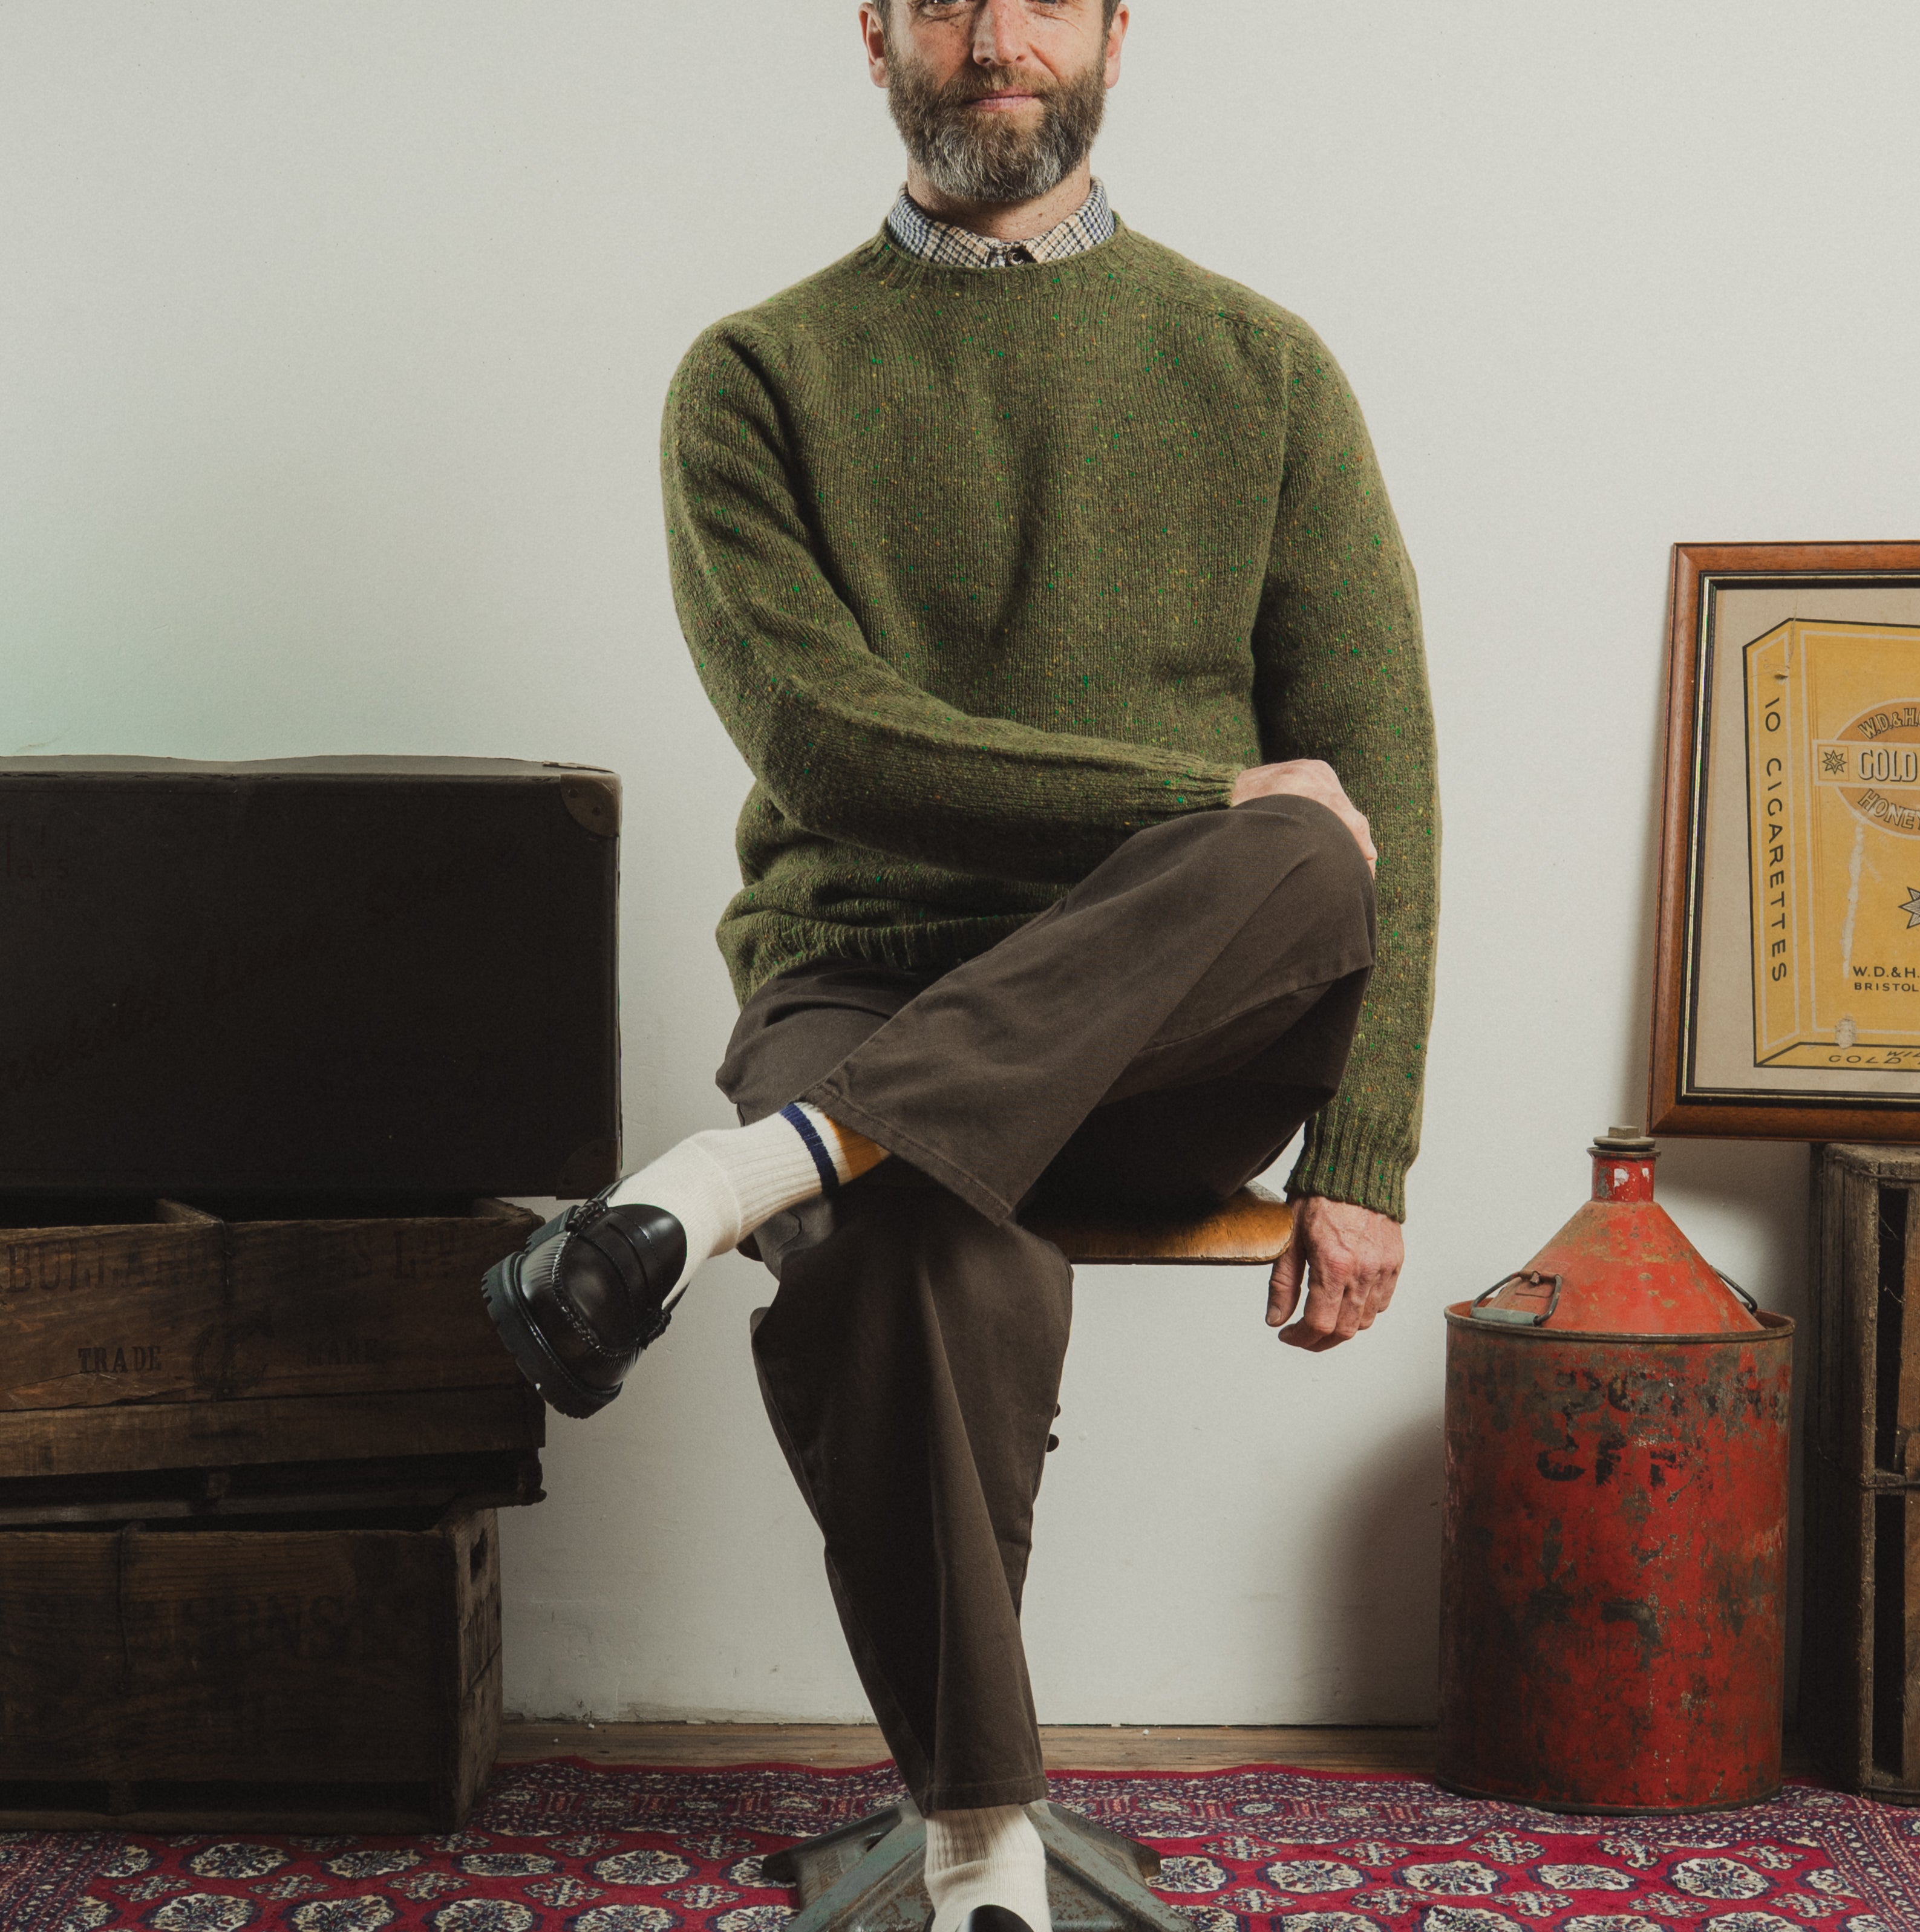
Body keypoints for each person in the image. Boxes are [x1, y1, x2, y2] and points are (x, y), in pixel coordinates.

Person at [485, 5, 1438, 1930]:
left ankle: (726, 1185)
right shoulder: (755, 375)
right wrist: (1192, 789)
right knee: (918, 1245)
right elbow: (830, 741)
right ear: (873, 36)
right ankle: (982, 1858)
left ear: (1112, 32)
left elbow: (1378, 784)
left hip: (1174, 1031)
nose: (994, 35)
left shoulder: (1257, 369)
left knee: (1305, 852)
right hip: (867, 982)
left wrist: (1367, 1146)